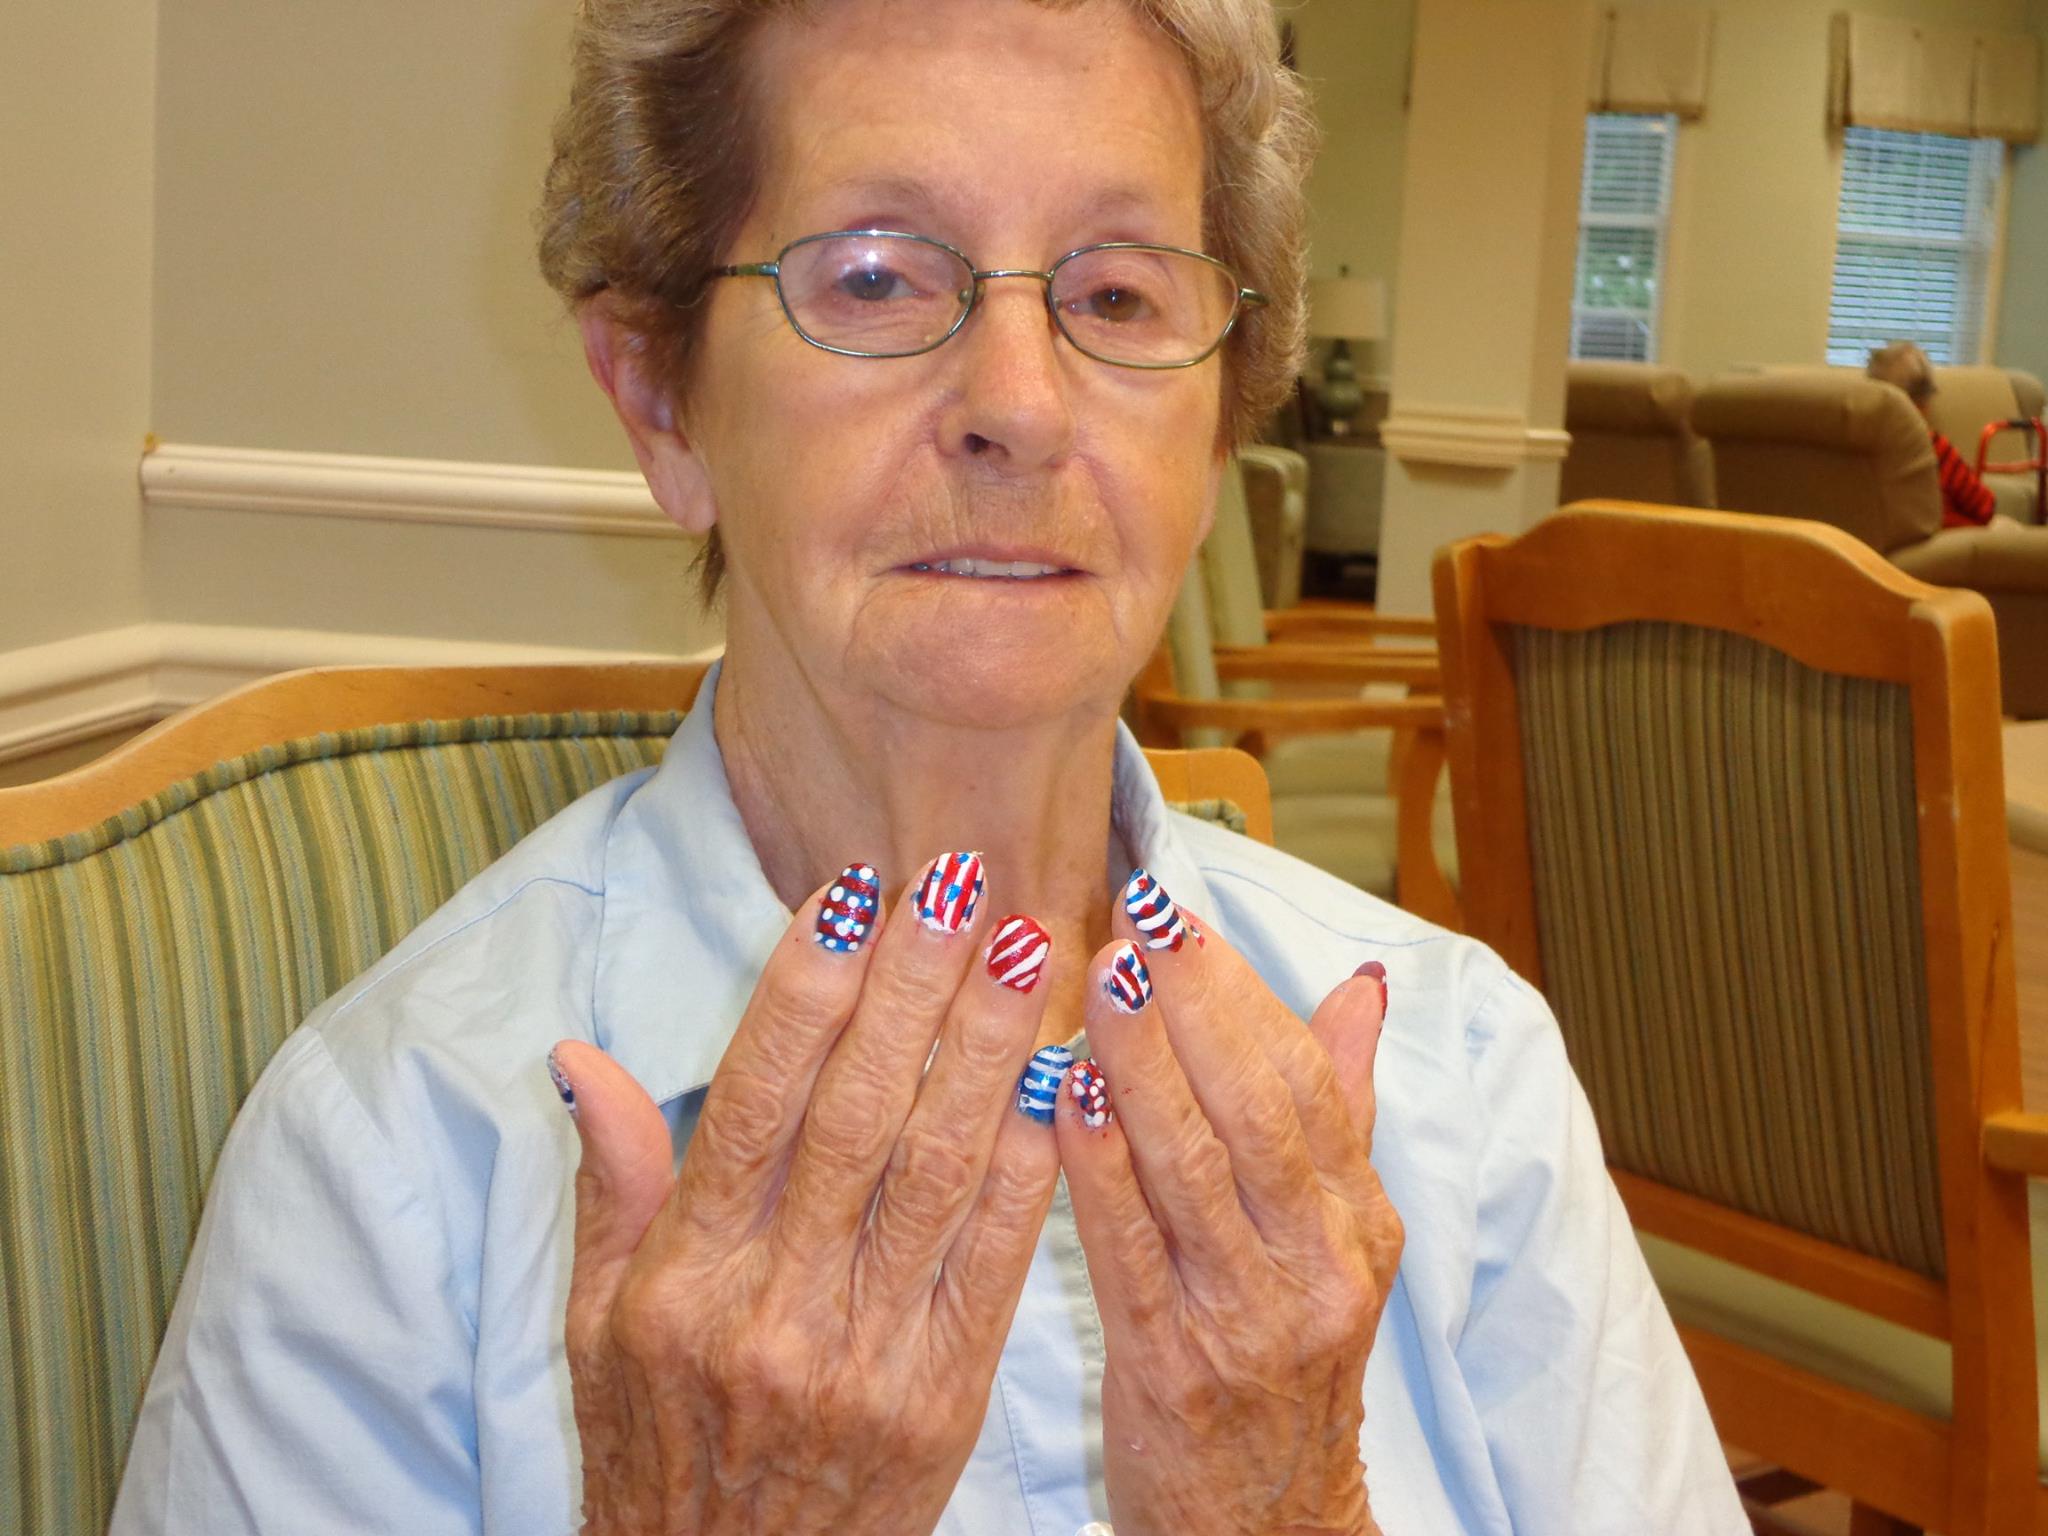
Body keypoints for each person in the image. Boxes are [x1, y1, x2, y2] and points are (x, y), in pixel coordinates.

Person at [110, 1, 1747, 1531]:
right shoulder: (400, 1153)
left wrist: (1294, 1502)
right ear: (661, 398)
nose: (1020, 407)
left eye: (1117, 296)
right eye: (877, 277)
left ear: (1216, 417)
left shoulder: (1458, 1070)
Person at [1866, 340, 1998, 528]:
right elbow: (1985, 506)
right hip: (1946, 537)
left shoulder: (1863, 448)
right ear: (1923, 402)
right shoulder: (1935, 449)